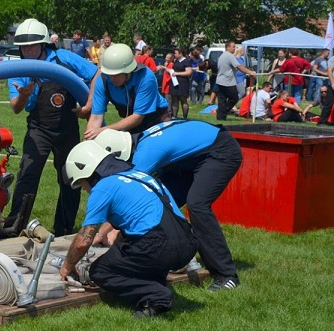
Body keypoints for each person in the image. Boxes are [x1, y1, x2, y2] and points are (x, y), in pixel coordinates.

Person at [93, 119, 243, 292]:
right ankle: (164, 253)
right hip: (193, 157)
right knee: (163, 195)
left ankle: (227, 275)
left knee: (197, 205)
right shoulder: (139, 140)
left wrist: (102, 232)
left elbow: (129, 196)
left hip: (221, 151)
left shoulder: (145, 154)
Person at [60, 141, 197, 318]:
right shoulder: (138, 175)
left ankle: (156, 296)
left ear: (85, 171)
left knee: (101, 271)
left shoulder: (103, 187)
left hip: (160, 245)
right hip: (187, 243)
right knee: (127, 247)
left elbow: (82, 242)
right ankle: (156, 284)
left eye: (82, 184)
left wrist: (66, 267)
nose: (85, 189)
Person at [2, 18, 100, 236]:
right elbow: (16, 108)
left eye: (32, 45)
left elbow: (97, 74)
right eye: (23, 46)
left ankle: (64, 228)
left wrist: (90, 104)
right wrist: (22, 96)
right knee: (28, 175)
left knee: (70, 178)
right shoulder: (18, 68)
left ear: (43, 44)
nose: (27, 50)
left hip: (68, 127)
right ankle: (15, 226)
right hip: (39, 129)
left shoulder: (63, 59)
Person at [84, 43, 169, 139]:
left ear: (129, 70)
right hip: (131, 125)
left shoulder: (146, 78)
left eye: (116, 74)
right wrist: (86, 144)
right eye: (109, 73)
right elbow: (95, 118)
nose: (112, 78)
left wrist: (105, 130)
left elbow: (137, 117)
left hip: (157, 121)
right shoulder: (103, 81)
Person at [215, 40, 256, 120]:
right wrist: (250, 72)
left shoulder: (222, 55)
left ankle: (220, 116)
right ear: (228, 47)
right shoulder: (230, 56)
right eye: (233, 47)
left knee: (222, 99)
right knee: (234, 98)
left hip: (220, 81)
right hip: (227, 82)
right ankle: (222, 112)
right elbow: (239, 67)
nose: (235, 48)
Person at [170, 47, 192, 119]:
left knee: (183, 100)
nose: (174, 54)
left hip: (183, 83)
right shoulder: (175, 61)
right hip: (174, 83)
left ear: (180, 53)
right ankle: (174, 116)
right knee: (174, 100)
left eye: (176, 53)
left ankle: (184, 117)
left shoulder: (186, 61)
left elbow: (189, 72)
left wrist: (177, 73)